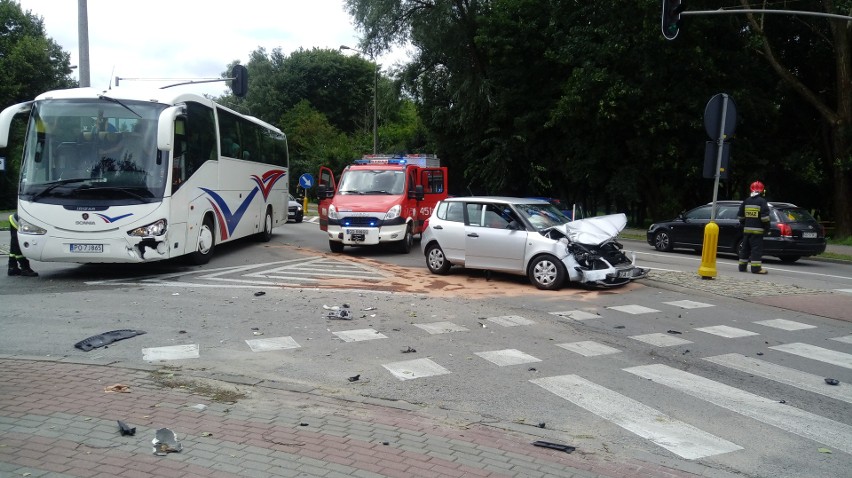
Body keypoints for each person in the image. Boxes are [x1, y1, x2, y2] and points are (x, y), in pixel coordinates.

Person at [737, 181, 771, 274]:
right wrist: (767, 227)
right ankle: (756, 269)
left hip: (747, 231)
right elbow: (765, 218)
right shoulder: (762, 201)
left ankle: (742, 267)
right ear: (762, 190)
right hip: (757, 232)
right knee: (756, 250)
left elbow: (740, 216)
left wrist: (745, 224)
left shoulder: (746, 201)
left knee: (745, 249)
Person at [7, 213, 38, 277]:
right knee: (17, 244)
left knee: (14, 243)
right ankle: (25, 268)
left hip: (16, 218)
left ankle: (12, 267)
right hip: (18, 220)